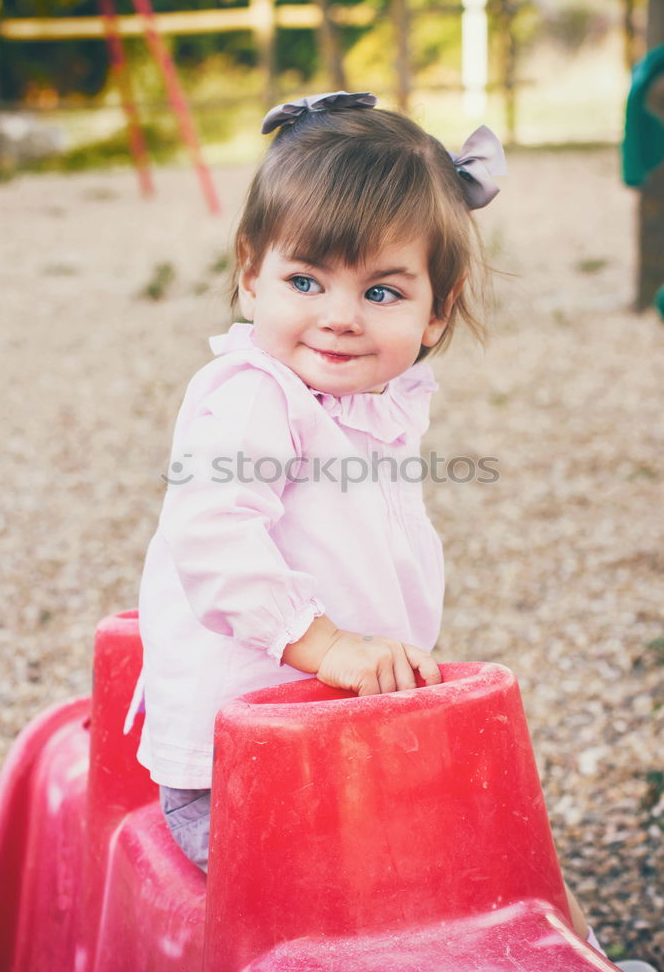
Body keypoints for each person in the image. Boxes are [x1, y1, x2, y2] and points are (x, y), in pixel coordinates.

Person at [127, 90, 609, 958]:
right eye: (305, 281)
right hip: (242, 759)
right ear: (249, 272)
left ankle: (568, 949)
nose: (340, 315)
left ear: (434, 311)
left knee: (484, 847)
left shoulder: (371, 403)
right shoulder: (250, 395)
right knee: (359, 908)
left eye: (380, 290)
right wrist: (327, 642)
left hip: (348, 730)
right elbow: (211, 536)